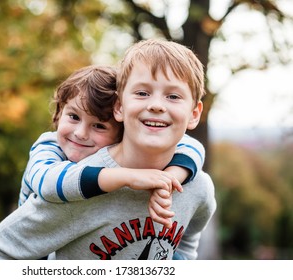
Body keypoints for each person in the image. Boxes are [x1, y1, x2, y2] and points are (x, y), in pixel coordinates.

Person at [0, 38, 216, 260]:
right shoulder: (80, 187)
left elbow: (189, 236)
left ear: (194, 114)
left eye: (173, 96)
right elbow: (4, 247)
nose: (156, 105)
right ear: (119, 106)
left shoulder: (197, 186)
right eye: (142, 93)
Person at [18, 65, 205, 227]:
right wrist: (127, 177)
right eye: (73, 117)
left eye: (99, 126)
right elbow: (47, 184)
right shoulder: (49, 146)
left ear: (121, 133)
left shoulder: (116, 150)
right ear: (59, 113)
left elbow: (192, 147)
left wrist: (168, 180)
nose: (80, 133)